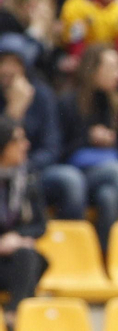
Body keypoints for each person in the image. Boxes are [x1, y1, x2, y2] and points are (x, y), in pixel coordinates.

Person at [56, 43, 118, 252]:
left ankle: (107, 258)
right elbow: (59, 151)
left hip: (104, 177)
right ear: (93, 69)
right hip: (74, 172)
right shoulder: (67, 102)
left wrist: (110, 142)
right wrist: (89, 139)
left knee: (109, 196)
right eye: (113, 67)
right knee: (116, 171)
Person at [0, 37, 70, 218]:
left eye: (14, 63)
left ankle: (66, 240)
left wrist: (27, 166)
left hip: (35, 169)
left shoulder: (42, 95)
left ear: (25, 66)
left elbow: (52, 146)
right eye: (2, 63)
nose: (7, 69)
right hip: (2, 172)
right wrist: (13, 113)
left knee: (69, 180)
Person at [0, 116, 50, 331]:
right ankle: (21, 326)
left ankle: (14, 314)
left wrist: (17, 238)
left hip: (13, 260)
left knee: (30, 257)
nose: (26, 144)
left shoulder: (27, 179)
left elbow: (41, 225)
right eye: (18, 140)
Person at [0, 0, 61, 76]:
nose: (33, 3)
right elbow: (22, 61)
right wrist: (35, 31)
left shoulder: (53, 25)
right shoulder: (6, 21)